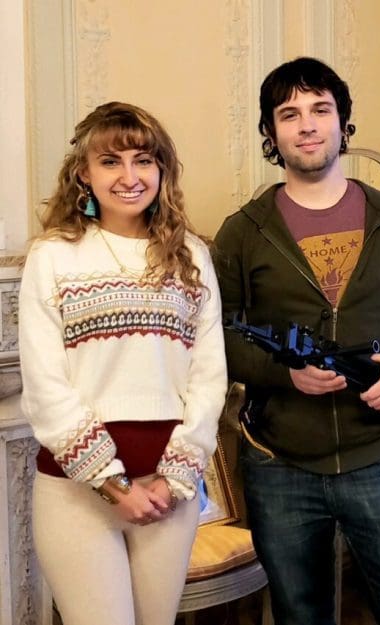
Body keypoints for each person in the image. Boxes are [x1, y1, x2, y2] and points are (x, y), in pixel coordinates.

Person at [212, 57, 380, 625]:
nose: (307, 124)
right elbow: (216, 335)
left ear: (343, 122)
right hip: (279, 464)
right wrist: (283, 373)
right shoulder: (242, 231)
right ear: (271, 134)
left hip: (379, 456)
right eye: (289, 114)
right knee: (300, 614)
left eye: (321, 109)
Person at [18, 101, 227, 625]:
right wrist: (114, 484)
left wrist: (175, 475)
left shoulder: (192, 256)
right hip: (76, 491)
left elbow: (209, 376)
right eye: (111, 162)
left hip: (168, 490)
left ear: (162, 170)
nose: (129, 176)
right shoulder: (53, 256)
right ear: (84, 174)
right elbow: (44, 385)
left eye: (143, 160)